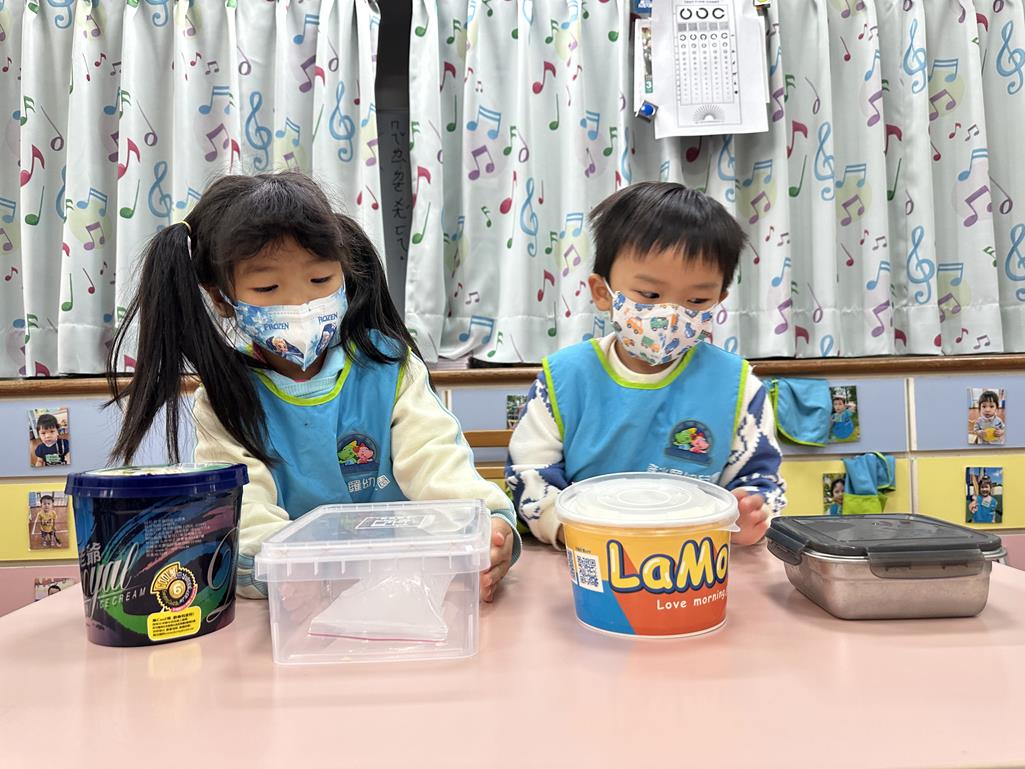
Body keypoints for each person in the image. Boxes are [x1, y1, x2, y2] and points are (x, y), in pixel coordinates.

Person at [107, 172, 519, 601]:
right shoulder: (226, 397)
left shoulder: (388, 367)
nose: (300, 304)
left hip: (408, 591)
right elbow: (247, 518)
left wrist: (486, 524)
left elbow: (437, 464)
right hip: (299, 609)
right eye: (267, 287)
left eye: (321, 280)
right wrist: (290, 573)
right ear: (221, 298)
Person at [506, 182, 786, 547]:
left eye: (697, 300)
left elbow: (760, 483)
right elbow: (530, 476)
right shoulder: (563, 379)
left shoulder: (737, 385)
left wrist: (749, 516)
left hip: (695, 559)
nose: (670, 313)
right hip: (587, 555)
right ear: (603, 292)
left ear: (719, 298)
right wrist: (571, 530)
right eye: (649, 294)